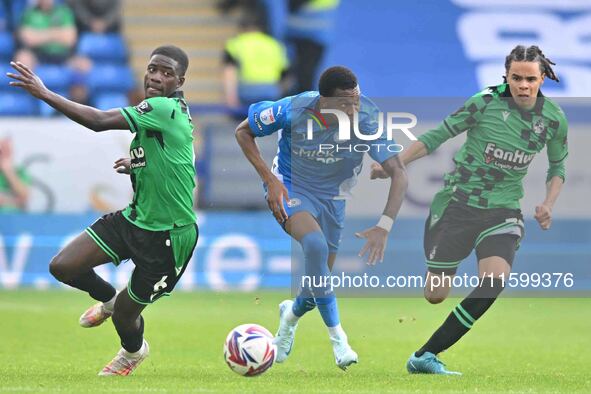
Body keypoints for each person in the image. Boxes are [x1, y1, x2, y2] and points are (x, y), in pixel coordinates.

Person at [372, 45, 568, 375]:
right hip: (457, 206)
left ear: (542, 79)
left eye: (530, 79)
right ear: (506, 75)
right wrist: (394, 165)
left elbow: (558, 166)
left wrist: (548, 203)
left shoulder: (553, 119)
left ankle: (425, 355)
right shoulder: (484, 103)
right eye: (516, 77)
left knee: (493, 281)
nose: (523, 85)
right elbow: (436, 136)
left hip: (503, 210)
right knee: (435, 295)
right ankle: (444, 262)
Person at [7, 45, 198, 376]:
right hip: (135, 219)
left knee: (127, 316)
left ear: (180, 80)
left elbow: (97, 121)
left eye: (166, 73)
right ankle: (109, 299)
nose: (155, 76)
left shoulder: (163, 108)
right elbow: (176, 162)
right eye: (153, 68)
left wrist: (44, 93)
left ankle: (133, 352)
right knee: (63, 267)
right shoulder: (162, 113)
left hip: (168, 237)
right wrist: (137, 163)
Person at [235, 66, 407, 370]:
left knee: (316, 286)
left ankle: (289, 318)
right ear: (324, 102)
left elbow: (399, 173)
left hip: (334, 199)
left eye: (356, 99)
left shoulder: (366, 116)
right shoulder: (293, 109)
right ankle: (339, 340)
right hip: (291, 187)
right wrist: (270, 181)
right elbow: (243, 131)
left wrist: (384, 225)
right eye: (345, 104)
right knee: (314, 245)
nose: (353, 109)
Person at [222, 15, 289, 114]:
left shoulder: (235, 44)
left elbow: (230, 72)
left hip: (247, 91)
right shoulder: (274, 44)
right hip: (271, 90)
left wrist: (231, 99)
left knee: (246, 123)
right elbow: (286, 75)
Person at [0, 137, 31, 212]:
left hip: (14, 218)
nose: (4, 154)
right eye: (2, 150)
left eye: (8, 151)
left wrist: (9, 172)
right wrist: (14, 201)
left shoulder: (20, 171)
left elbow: (24, 197)